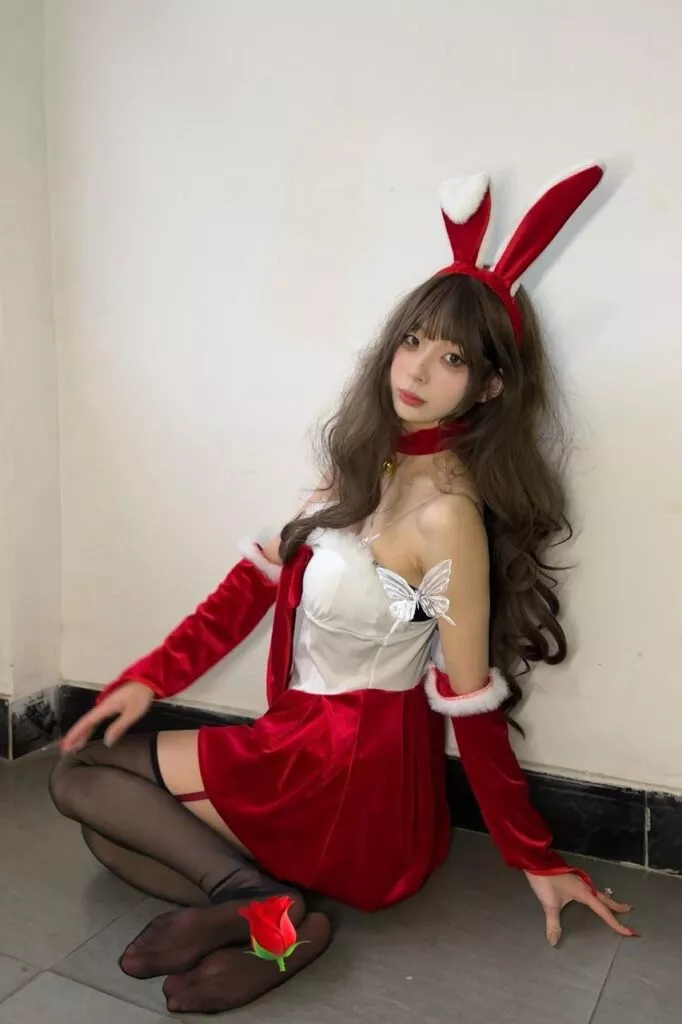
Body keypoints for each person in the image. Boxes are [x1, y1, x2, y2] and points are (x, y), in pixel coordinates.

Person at [49, 164, 635, 1015]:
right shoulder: (372, 464)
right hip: (299, 742)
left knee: (81, 783)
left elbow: (469, 702)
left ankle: (263, 906)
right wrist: (150, 677)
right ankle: (270, 911)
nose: (418, 370)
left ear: (490, 386)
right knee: (107, 830)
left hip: (349, 780)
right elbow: (254, 585)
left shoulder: (447, 518)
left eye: (452, 358)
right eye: (414, 340)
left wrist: (534, 855)